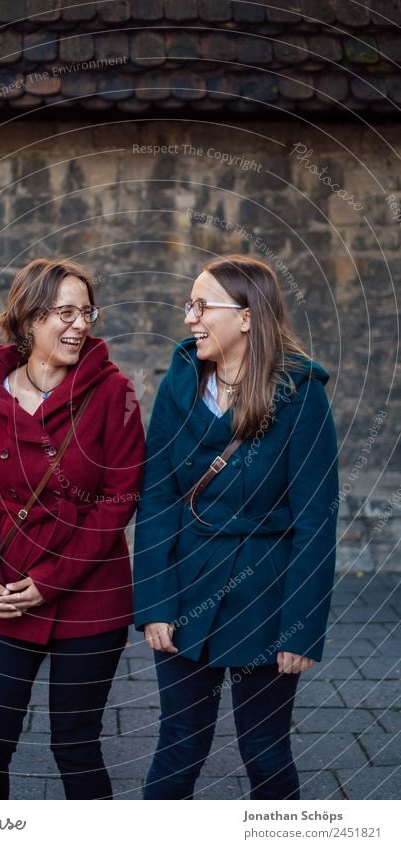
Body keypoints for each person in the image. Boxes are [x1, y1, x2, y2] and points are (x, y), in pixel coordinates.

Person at [133, 254, 339, 800]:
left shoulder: (302, 394)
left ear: (247, 316)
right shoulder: (178, 388)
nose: (190, 318)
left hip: (267, 596)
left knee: (265, 752)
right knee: (178, 744)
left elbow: (316, 518)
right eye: (189, 305)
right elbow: (158, 497)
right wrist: (154, 602)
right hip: (185, 588)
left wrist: (301, 627)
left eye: (202, 306)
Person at [0, 258, 145, 800]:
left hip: (91, 598)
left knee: (76, 744)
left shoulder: (116, 393)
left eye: (86, 311)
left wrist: (52, 580)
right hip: (8, 595)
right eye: (64, 311)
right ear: (29, 320)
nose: (79, 324)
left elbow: (119, 499)